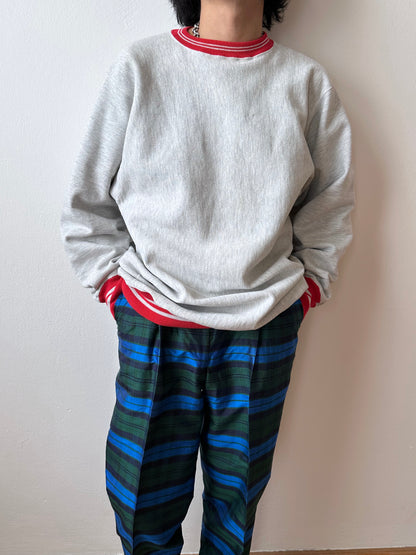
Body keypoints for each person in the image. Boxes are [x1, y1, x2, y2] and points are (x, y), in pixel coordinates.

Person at [60, 0, 355, 553]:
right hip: (152, 314)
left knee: (237, 501)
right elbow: (87, 199)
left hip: (264, 319)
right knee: (140, 497)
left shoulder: (305, 82)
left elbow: (330, 202)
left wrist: (311, 283)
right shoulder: (141, 67)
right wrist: (113, 286)